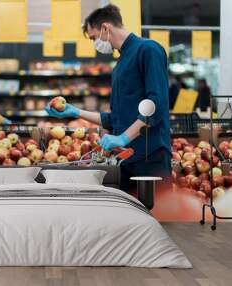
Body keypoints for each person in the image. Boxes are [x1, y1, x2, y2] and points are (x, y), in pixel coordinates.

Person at [46, 4, 171, 192]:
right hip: (126, 159)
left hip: (149, 156)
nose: (95, 43)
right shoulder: (120, 63)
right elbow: (115, 118)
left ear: (106, 28)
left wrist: (123, 137)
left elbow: (156, 105)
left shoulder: (148, 50)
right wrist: (75, 112)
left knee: (157, 217)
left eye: (94, 37)